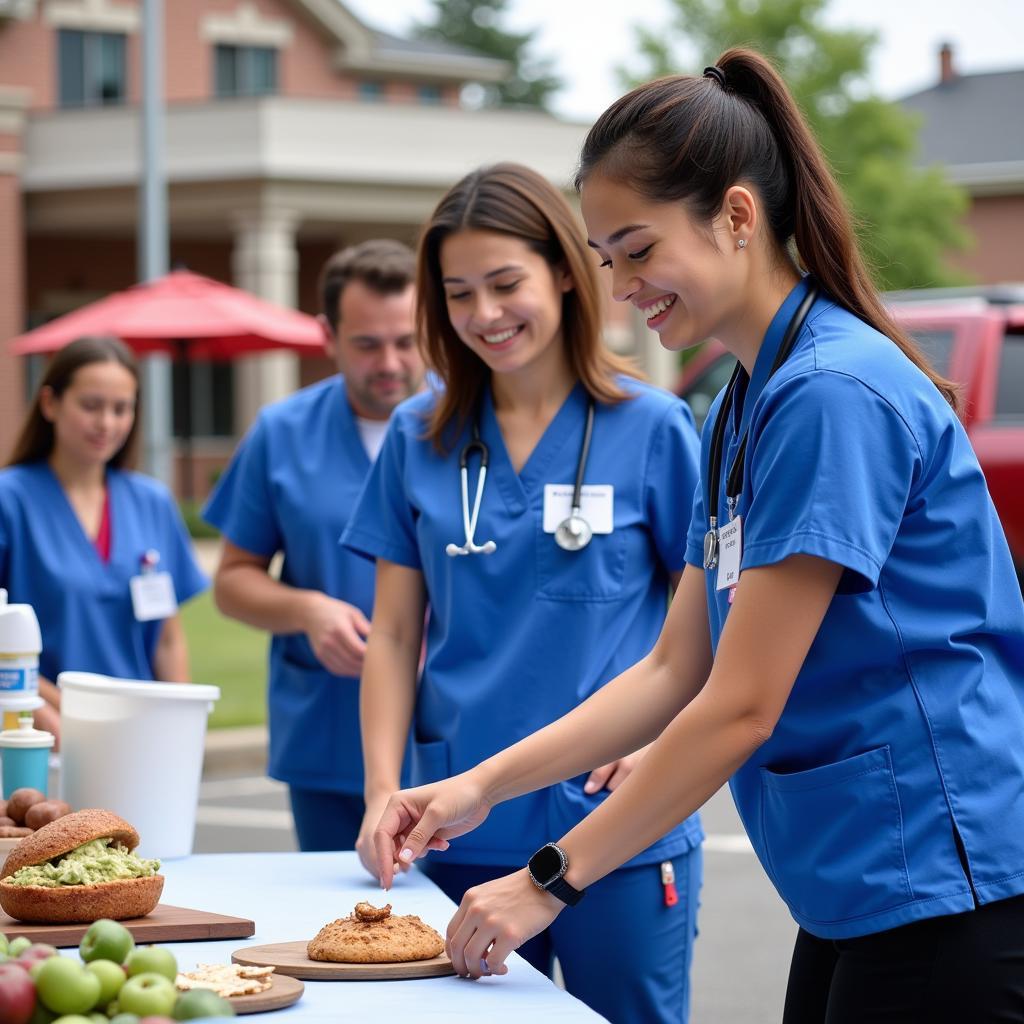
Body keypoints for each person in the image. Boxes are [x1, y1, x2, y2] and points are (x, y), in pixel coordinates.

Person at [366, 50, 1024, 1024]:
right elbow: (677, 666)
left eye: (637, 249)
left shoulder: (829, 397)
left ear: (737, 216)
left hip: (942, 875)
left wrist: (549, 877)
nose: (623, 284)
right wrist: (479, 786)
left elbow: (738, 705)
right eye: (607, 259)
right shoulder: (739, 405)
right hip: (856, 880)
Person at [342, 163, 703, 1024]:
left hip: (617, 826)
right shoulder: (417, 438)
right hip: (458, 828)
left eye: (506, 283)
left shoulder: (654, 428)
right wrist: (380, 793)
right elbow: (394, 638)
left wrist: (664, 754)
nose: (485, 315)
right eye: (459, 294)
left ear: (567, 275)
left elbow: (715, 633)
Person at [203, 239, 425, 852]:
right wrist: (307, 611)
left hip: (460, 732)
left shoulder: (470, 426)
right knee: (343, 928)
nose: (390, 362)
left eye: (406, 341)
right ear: (327, 335)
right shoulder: (282, 433)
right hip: (331, 735)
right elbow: (231, 581)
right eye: (366, 344)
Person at [0, 335, 208, 742]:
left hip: (138, 735)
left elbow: (166, 639)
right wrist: (39, 702)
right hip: (41, 732)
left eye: (121, 408)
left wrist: (181, 725)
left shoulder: (151, 501)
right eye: (91, 406)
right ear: (50, 404)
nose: (107, 423)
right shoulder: (10, 500)